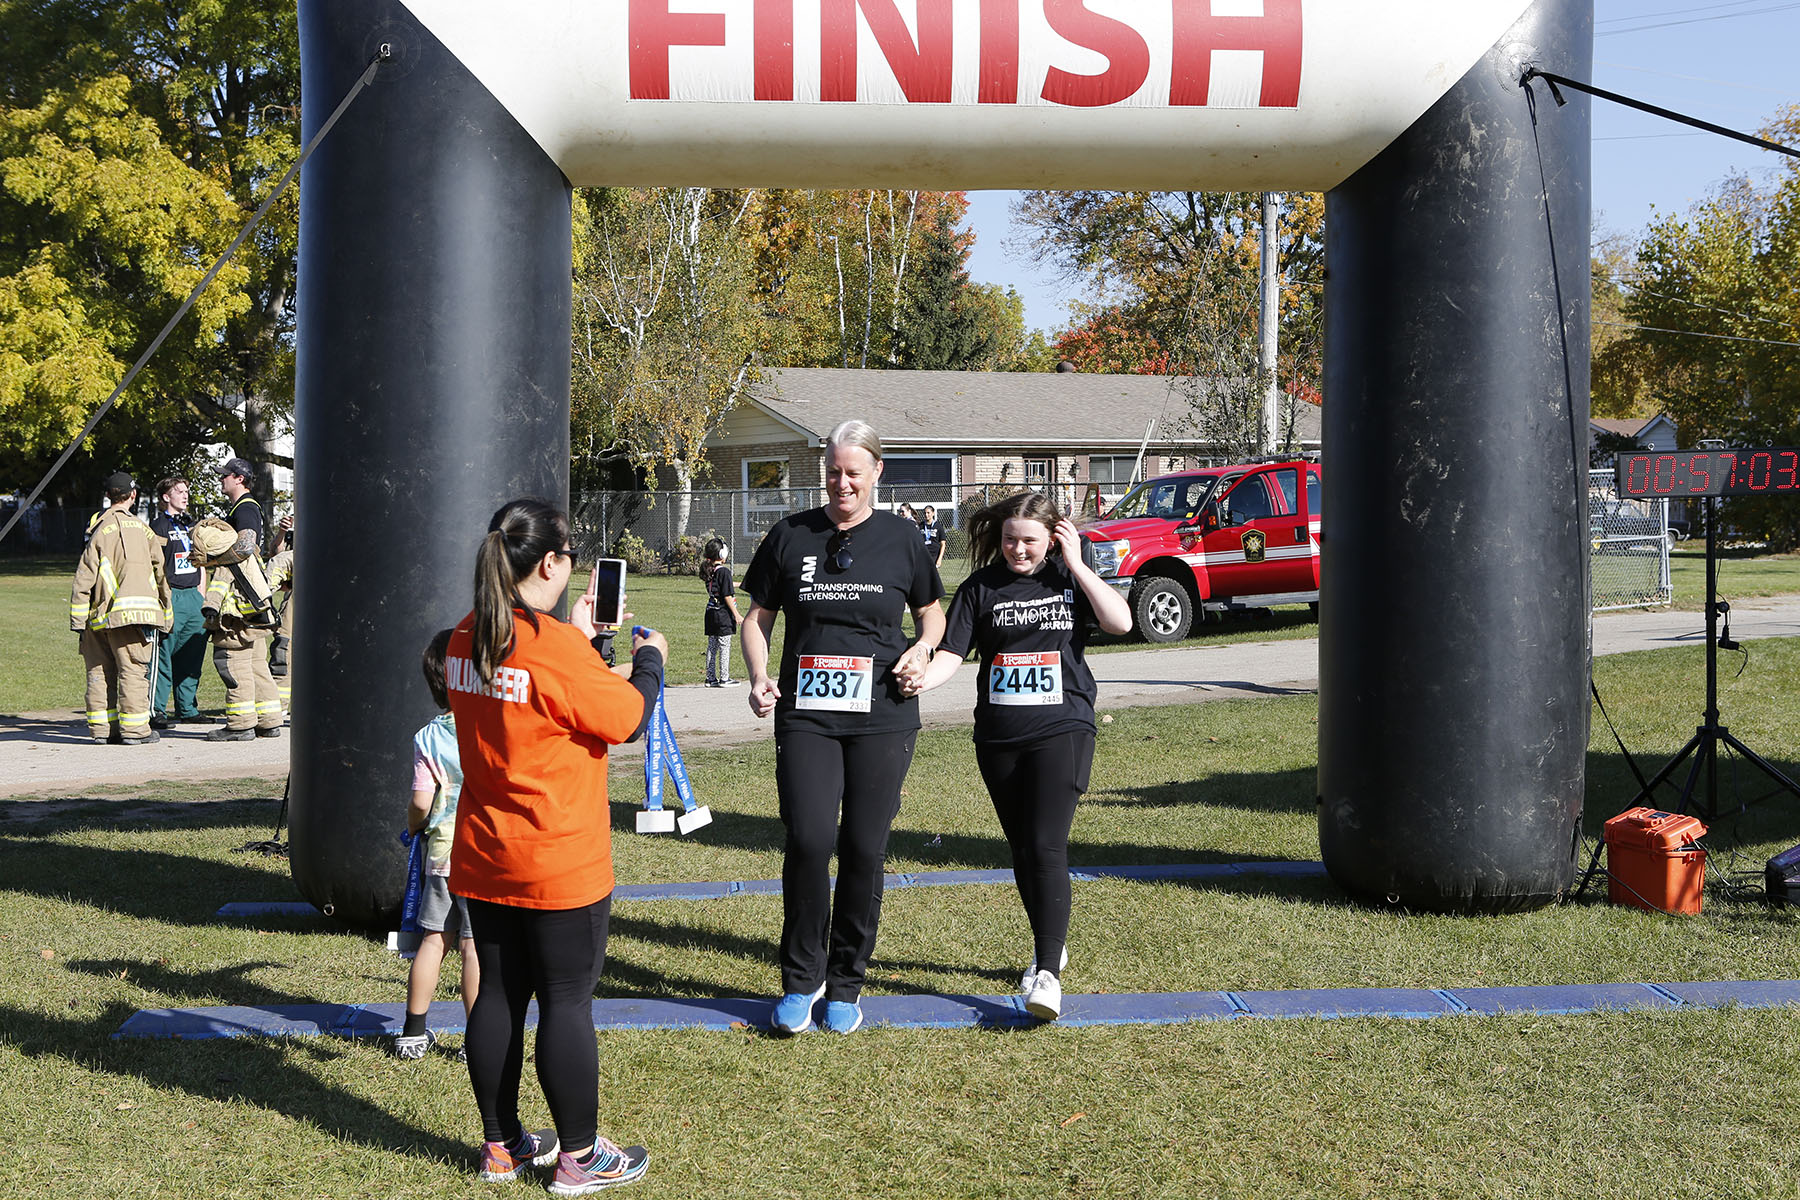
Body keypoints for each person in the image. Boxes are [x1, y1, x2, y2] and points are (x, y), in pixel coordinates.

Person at [448, 497, 663, 1193]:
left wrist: (578, 641)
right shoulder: (554, 648)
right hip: (558, 860)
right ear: (549, 563)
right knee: (567, 1002)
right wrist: (650, 661)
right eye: (570, 556)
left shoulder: (465, 636)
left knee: (498, 997)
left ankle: (502, 1147)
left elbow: (536, 697)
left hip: (486, 852)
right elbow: (625, 717)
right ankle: (580, 1156)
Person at [739, 421, 945, 1035]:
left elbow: (932, 615)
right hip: (807, 714)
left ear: (877, 471)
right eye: (833, 472)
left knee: (862, 847)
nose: (842, 483)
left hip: (883, 714)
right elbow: (757, 617)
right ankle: (801, 980)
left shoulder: (903, 539)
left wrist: (923, 650)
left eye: (854, 472)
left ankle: (847, 981)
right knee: (808, 839)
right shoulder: (790, 535)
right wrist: (758, 675)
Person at [905, 491, 1132, 1021]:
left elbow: (1120, 622)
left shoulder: (1069, 579)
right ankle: (1049, 942)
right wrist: (921, 679)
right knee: (1024, 849)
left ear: (1052, 539)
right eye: (1010, 539)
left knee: (1046, 843)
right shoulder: (980, 588)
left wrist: (1077, 564)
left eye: (1029, 540)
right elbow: (952, 655)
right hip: (999, 737)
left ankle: (1047, 972)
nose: (1018, 550)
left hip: (1063, 727)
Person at [395, 629, 479, 1061]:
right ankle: (476, 1040)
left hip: (441, 855)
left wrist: (414, 828)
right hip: (482, 858)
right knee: (472, 947)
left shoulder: (427, 737)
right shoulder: (491, 729)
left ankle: (413, 1031)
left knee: (433, 942)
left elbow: (419, 803)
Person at [69, 473, 172, 744]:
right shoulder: (145, 530)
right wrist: (166, 615)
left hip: (98, 616)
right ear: (133, 496)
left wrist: (78, 621)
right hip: (134, 617)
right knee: (133, 671)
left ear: (108, 496)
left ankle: (103, 731)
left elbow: (83, 577)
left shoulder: (97, 529)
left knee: (99, 672)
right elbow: (161, 575)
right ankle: (135, 730)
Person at [148, 477, 210, 728]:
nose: (185, 495)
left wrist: (201, 593)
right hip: (171, 594)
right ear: (166, 497)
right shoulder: (158, 526)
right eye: (179, 491)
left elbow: (202, 560)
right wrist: (162, 598)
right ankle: (157, 710)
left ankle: (187, 708)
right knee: (164, 654)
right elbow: (154, 564)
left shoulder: (192, 525)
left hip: (194, 596)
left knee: (192, 653)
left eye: (186, 491)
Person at [701, 538, 741, 687]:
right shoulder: (724, 571)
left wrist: (742, 584)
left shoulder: (709, 570)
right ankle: (725, 678)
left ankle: (710, 678)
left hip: (711, 613)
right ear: (722, 554)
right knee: (724, 645)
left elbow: (724, 584)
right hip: (723, 614)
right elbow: (727, 595)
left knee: (712, 646)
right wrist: (736, 614)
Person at [919, 504, 947, 570]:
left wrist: (940, 559)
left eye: (928, 513)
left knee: (933, 575)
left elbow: (943, 544)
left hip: (935, 555)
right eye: (925, 513)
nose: (926, 515)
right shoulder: (921, 526)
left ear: (933, 513)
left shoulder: (938, 526)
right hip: (924, 555)